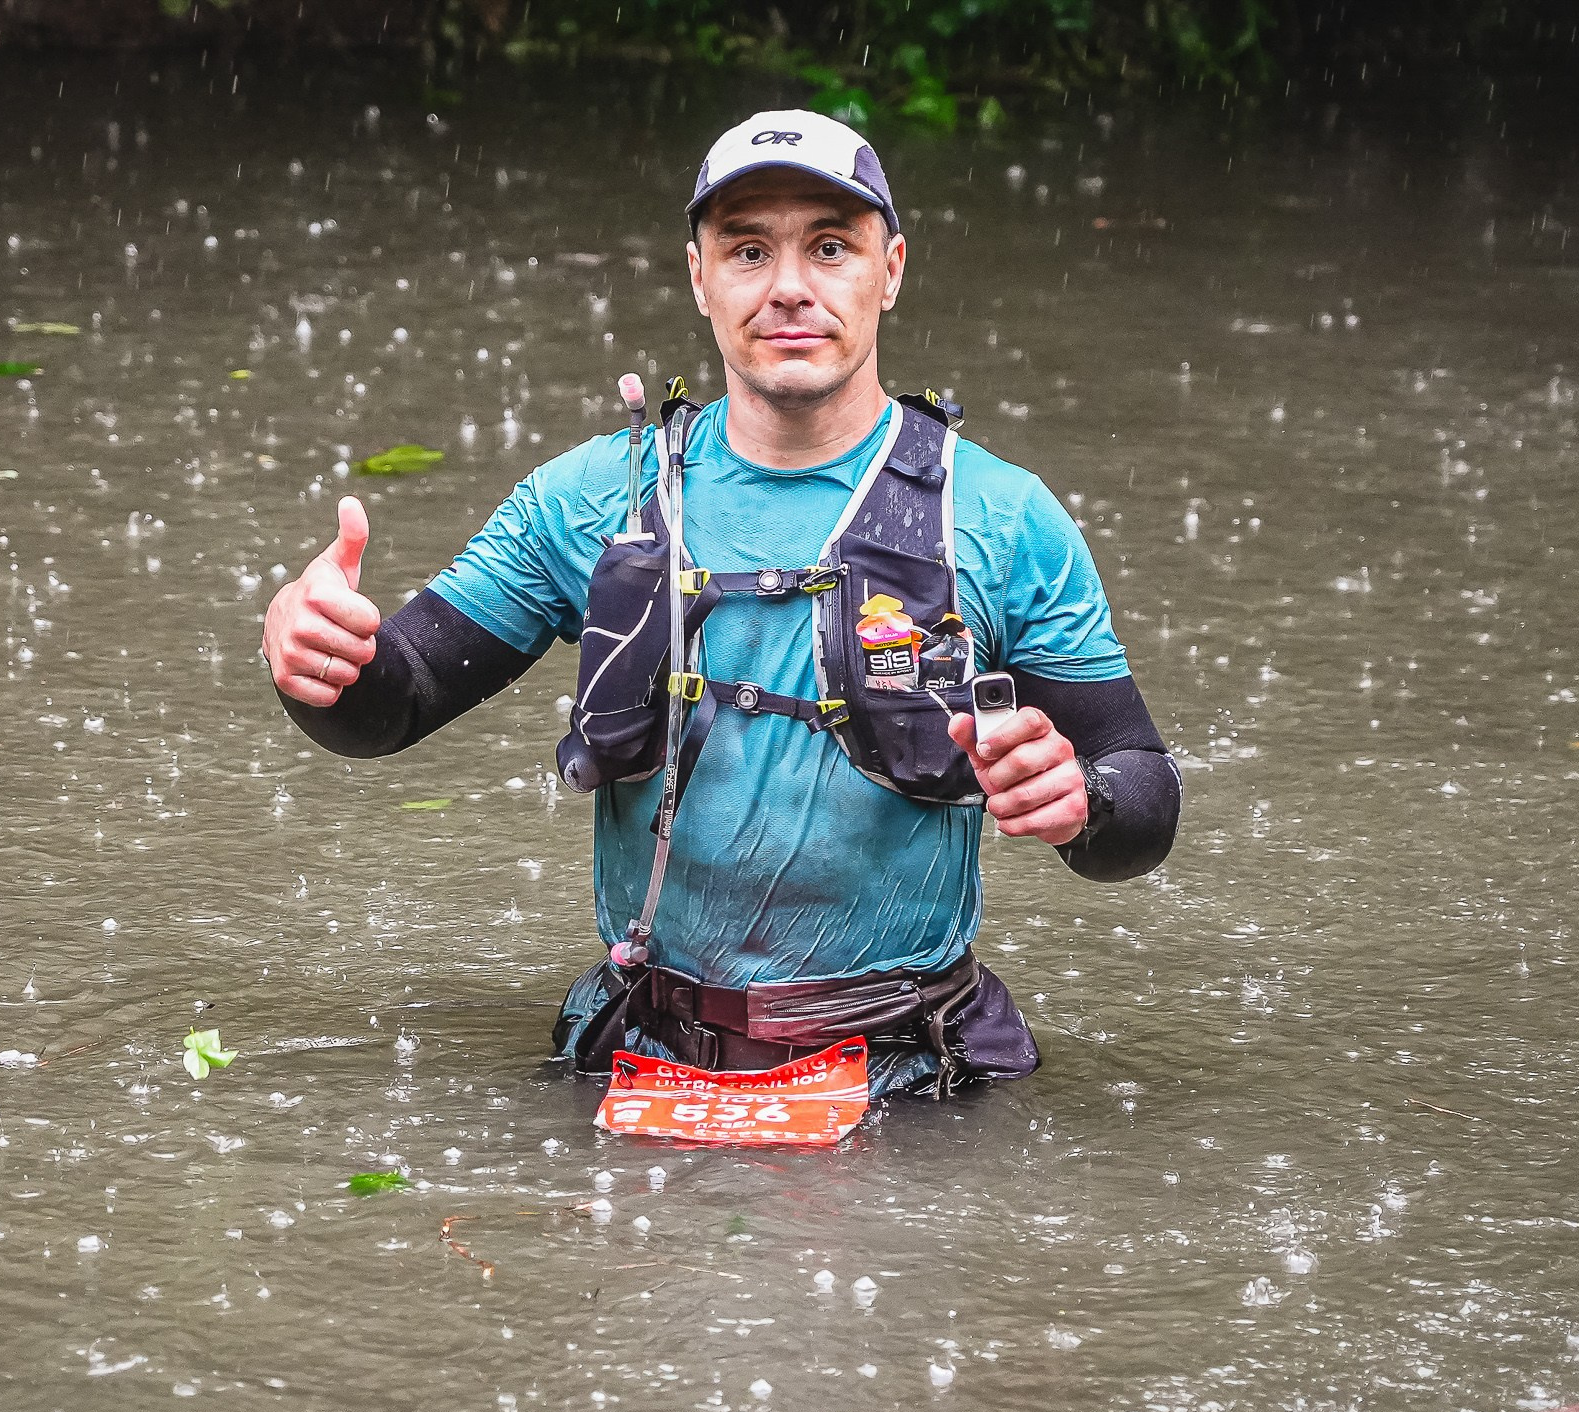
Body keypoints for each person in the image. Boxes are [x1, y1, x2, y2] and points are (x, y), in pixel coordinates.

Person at [261, 110, 1181, 1098]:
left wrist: (1085, 801)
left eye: (831, 247)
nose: (790, 286)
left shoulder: (1004, 518)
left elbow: (1144, 796)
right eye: (749, 250)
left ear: (892, 268)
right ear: (700, 277)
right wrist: (318, 666)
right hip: (641, 1054)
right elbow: (394, 703)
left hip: (913, 1074)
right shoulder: (589, 501)